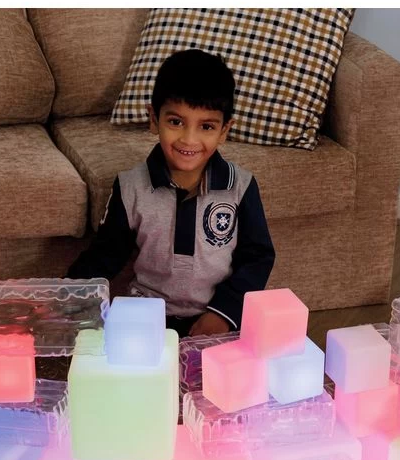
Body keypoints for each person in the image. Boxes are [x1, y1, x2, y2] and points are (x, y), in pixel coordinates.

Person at [68, 49, 275, 337]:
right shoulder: (130, 187)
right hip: (147, 314)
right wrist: (63, 297)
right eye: (176, 122)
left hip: (215, 316)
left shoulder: (241, 187)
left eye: (206, 126)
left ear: (224, 130)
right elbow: (105, 256)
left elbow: (257, 258)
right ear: (154, 119)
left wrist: (223, 313)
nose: (189, 139)